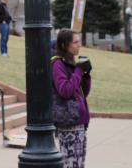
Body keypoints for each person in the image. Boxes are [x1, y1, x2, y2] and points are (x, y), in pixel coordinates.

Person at [52, 29, 92, 168]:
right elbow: (65, 91)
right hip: (69, 124)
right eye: (75, 42)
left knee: (78, 164)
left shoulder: (71, 63)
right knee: (71, 165)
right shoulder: (58, 64)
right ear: (64, 45)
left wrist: (86, 75)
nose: (79, 45)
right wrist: (79, 71)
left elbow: (82, 93)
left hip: (78, 123)